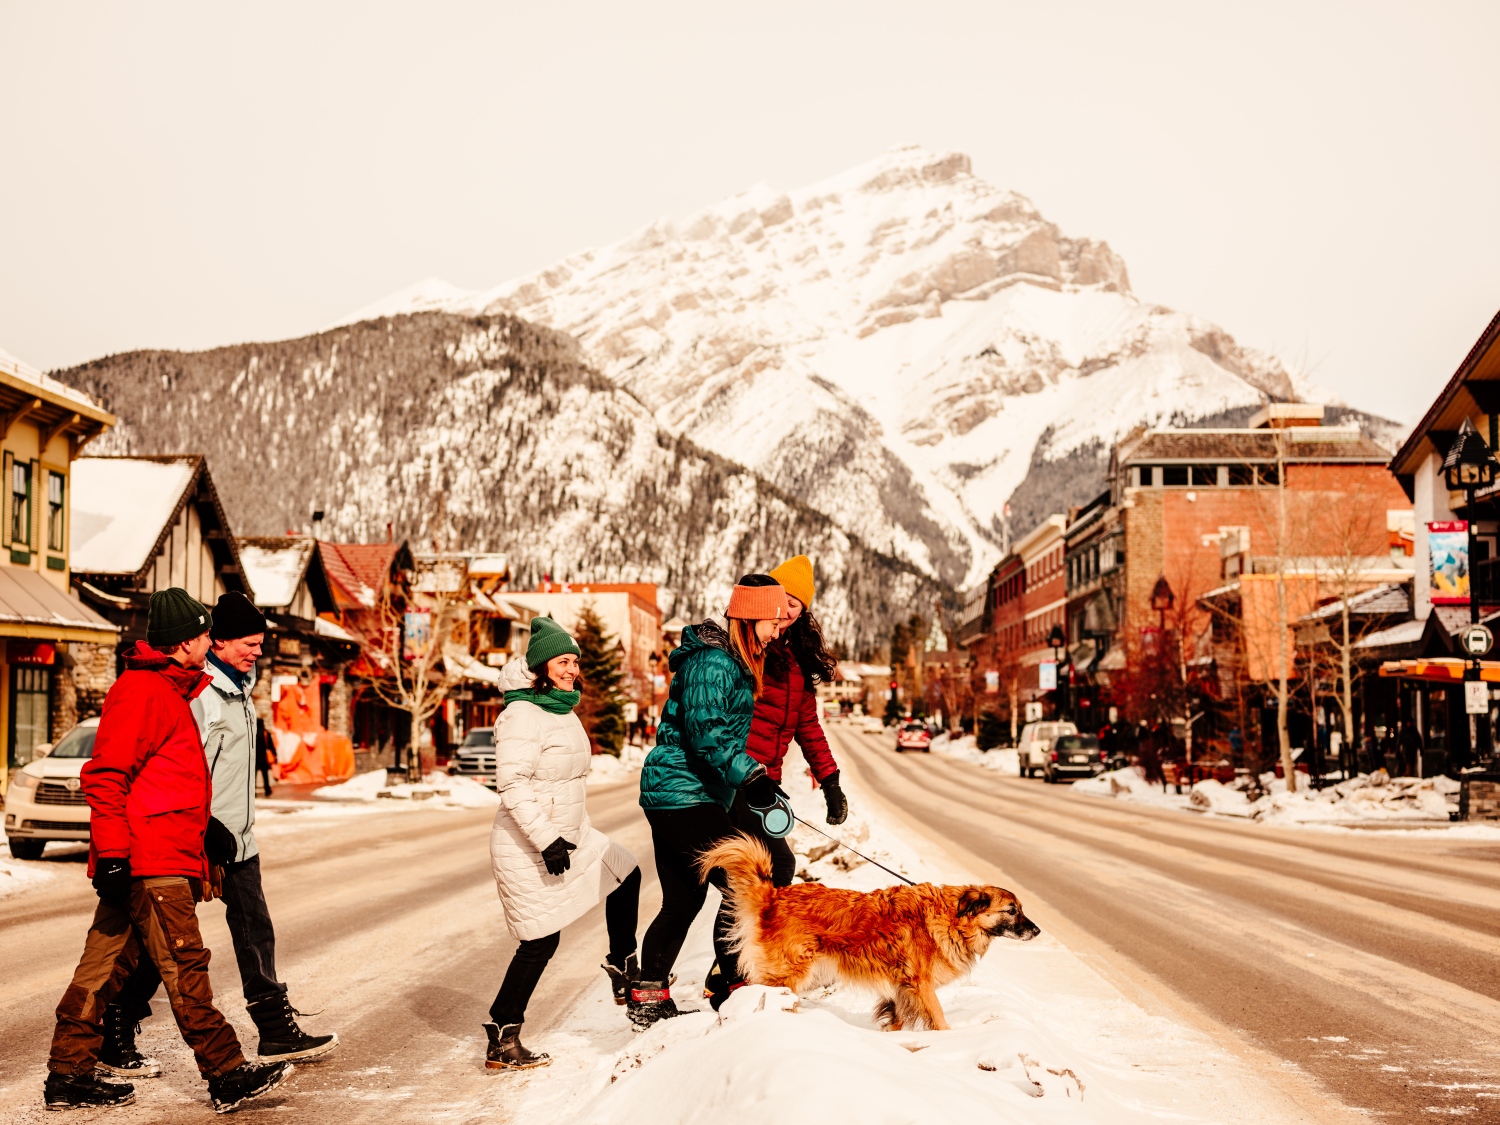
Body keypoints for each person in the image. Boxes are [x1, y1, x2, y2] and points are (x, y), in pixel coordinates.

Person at [45, 588, 294, 1113]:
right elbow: (107, 777)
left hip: (153, 854)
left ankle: (68, 1075)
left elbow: (165, 782)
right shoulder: (142, 693)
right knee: (186, 966)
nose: (212, 641)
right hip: (149, 861)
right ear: (186, 642)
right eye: (206, 634)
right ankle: (225, 1072)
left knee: (99, 971)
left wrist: (205, 829)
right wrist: (112, 856)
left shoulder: (168, 691)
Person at [102, 593, 338, 1077]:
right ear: (220, 642)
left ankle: (273, 1027)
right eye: (249, 644)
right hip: (196, 839)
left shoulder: (237, 688)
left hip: (238, 841)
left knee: (254, 929)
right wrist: (206, 828)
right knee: (160, 943)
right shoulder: (201, 694)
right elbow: (181, 769)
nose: (257, 652)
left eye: (260, 644)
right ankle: (117, 1028)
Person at [629, 575, 789, 1028]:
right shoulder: (714, 664)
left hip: (684, 793)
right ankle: (734, 985)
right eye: (774, 620)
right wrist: (751, 775)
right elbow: (706, 736)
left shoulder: (727, 661)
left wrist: (754, 780)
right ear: (753, 615)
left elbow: (714, 736)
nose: (778, 630)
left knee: (682, 899)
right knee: (745, 882)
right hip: (683, 794)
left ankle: (648, 995)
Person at [484, 617, 642, 1068]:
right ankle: (503, 1036)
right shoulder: (520, 715)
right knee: (540, 942)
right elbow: (513, 786)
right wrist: (547, 840)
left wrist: (572, 833)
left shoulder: (561, 709)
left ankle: (621, 965)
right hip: (527, 844)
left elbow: (568, 784)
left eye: (574, 661)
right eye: (562, 661)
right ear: (540, 667)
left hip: (570, 838)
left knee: (625, 872)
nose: (571, 669)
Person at [738, 555, 846, 886]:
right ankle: (755, 938)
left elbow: (808, 727)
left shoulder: (795, 658)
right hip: (738, 777)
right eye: (781, 599)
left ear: (803, 612)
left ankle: (752, 938)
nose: (785, 610)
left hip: (766, 781)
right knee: (768, 872)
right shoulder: (748, 644)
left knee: (763, 877)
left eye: (794, 604)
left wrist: (830, 782)